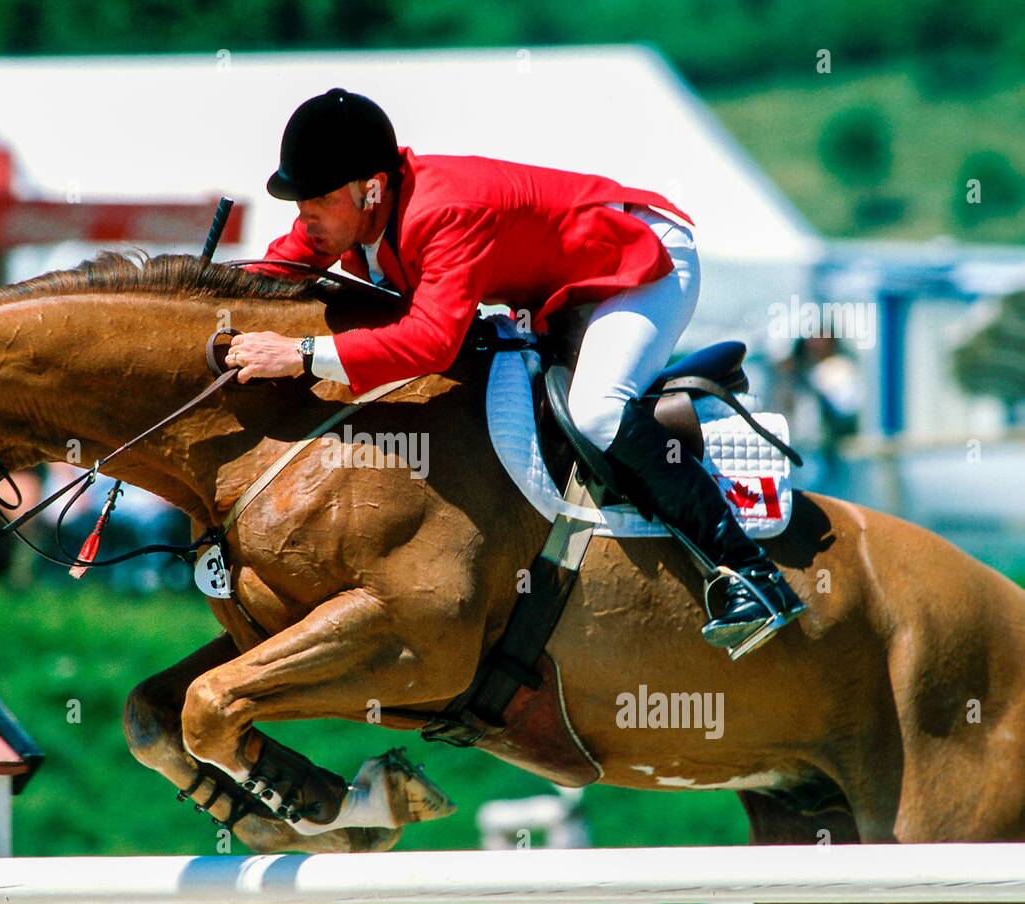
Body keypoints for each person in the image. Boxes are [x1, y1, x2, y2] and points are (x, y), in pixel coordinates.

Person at [227, 88, 804, 651]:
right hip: (562, 279)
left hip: (643, 259)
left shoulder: (444, 211)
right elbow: (272, 268)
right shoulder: (352, 214)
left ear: (371, 189)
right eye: (299, 203)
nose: (305, 218)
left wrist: (301, 353)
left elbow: (430, 342)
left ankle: (751, 576)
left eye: (317, 202)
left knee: (597, 413)